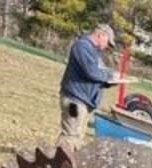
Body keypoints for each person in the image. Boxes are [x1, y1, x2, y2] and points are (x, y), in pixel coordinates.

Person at [57, 24, 132, 153]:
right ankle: (56, 164)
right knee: (70, 135)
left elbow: (98, 76)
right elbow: (92, 72)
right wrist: (110, 75)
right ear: (100, 35)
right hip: (74, 100)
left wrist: (113, 81)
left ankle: (64, 164)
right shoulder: (82, 47)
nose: (106, 47)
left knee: (77, 136)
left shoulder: (93, 52)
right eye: (107, 42)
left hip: (83, 102)